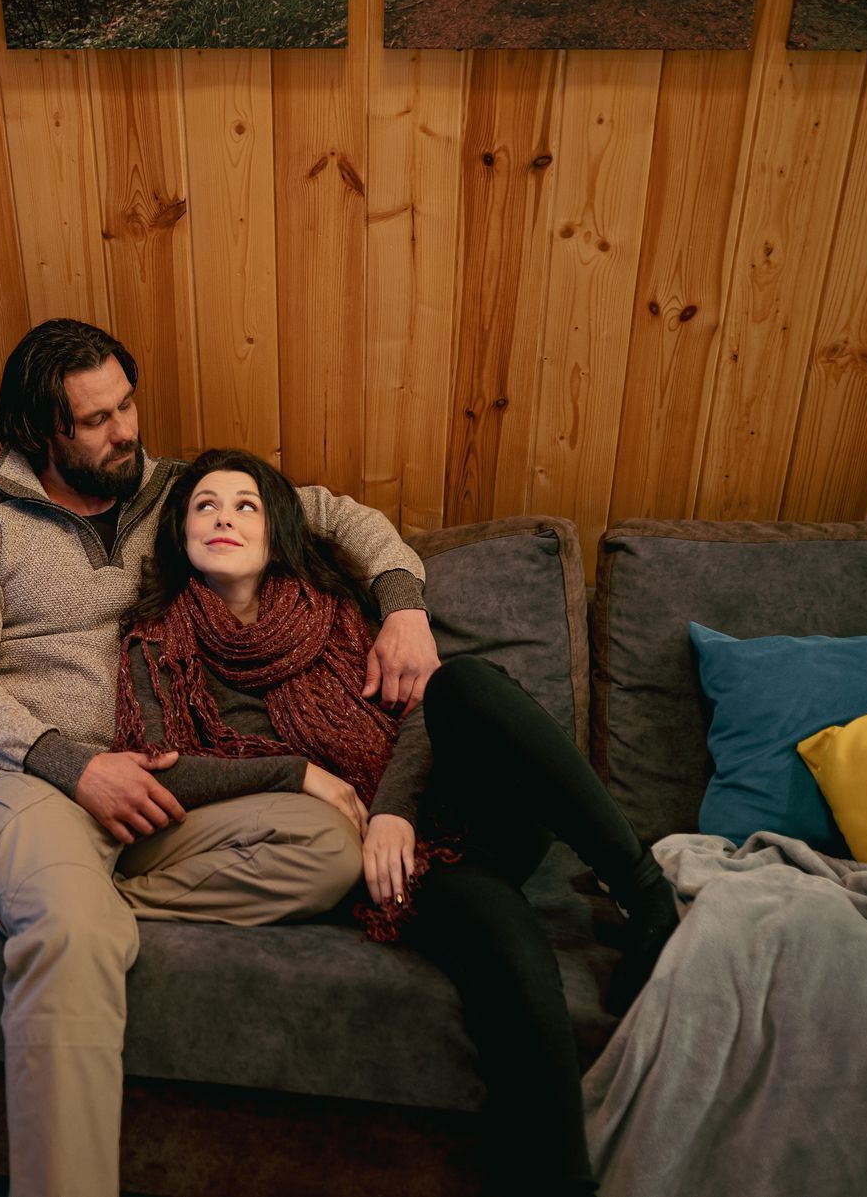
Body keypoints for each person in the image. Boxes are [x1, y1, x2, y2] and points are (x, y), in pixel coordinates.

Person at [0, 320, 440, 1197]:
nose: (126, 430)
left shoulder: (179, 493)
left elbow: (344, 518)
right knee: (75, 933)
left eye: (127, 404)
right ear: (43, 433)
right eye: (97, 420)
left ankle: (48, 899)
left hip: (156, 790)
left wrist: (405, 604)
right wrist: (74, 766)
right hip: (22, 781)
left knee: (327, 847)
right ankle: (60, 910)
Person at [112, 447, 681, 1197]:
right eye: (204, 505)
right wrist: (298, 773)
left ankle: (644, 892)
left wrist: (391, 810)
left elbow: (419, 711)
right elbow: (161, 760)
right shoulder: (158, 640)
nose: (223, 516)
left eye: (245, 503)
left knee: (466, 685)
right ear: (177, 534)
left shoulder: (333, 609)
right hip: (396, 876)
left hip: (442, 805)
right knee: (509, 946)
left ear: (277, 528)